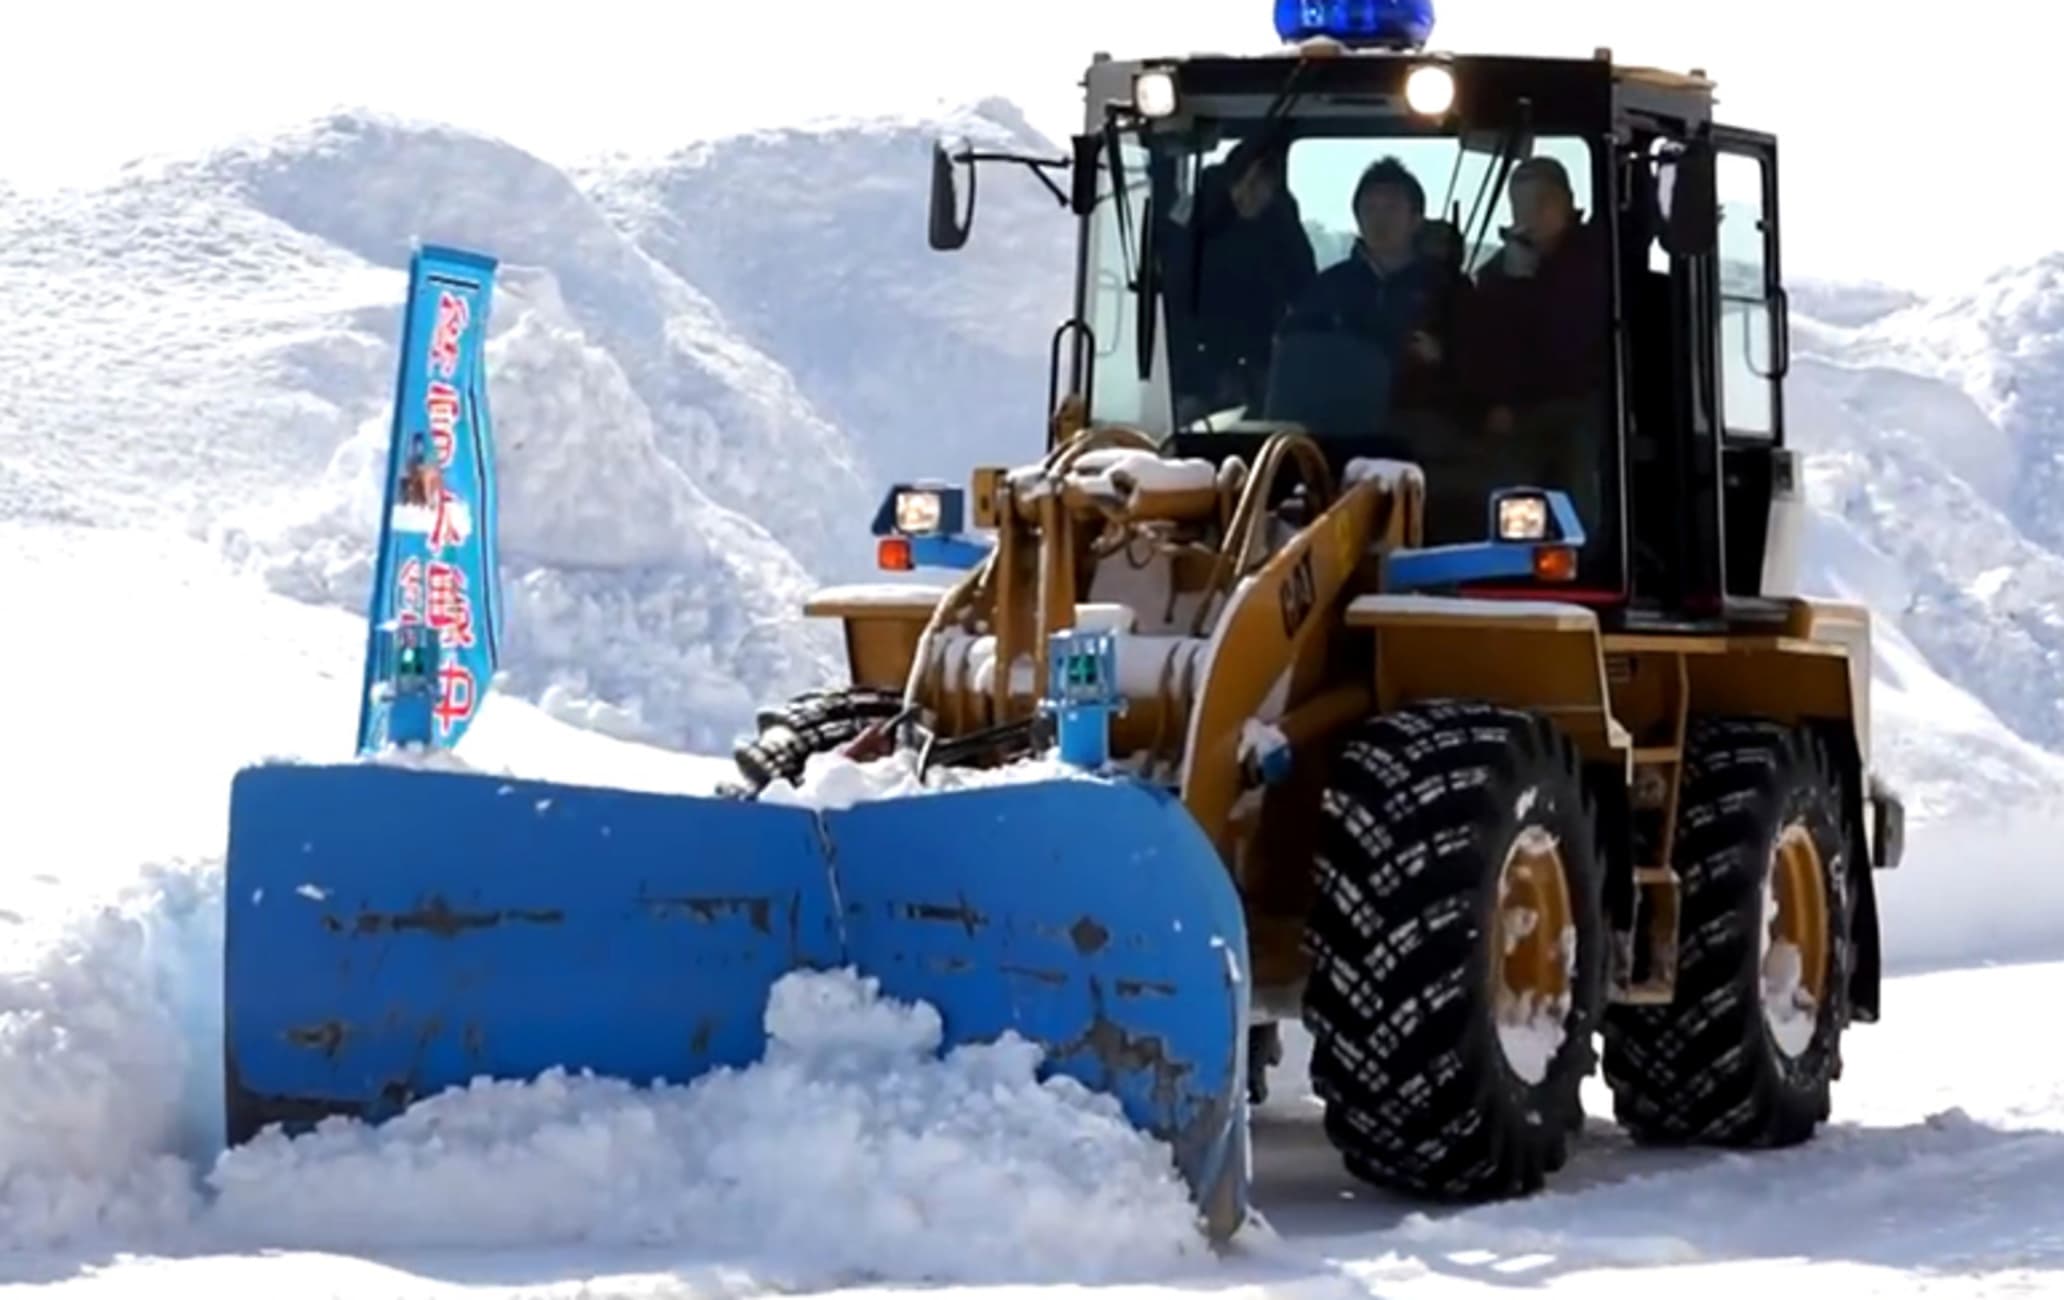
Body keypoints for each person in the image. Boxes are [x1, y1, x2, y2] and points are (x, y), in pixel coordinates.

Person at [1457, 155, 1611, 534]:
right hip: (1521, 407)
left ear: (1567, 203)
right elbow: (1485, 345)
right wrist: (1497, 401)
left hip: (1589, 398)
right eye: (1522, 204)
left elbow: (1573, 337)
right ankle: (1508, 549)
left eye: (1543, 201)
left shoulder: (1602, 256)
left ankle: (1586, 548)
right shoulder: (1495, 275)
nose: (1533, 213)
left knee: (1580, 450)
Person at [1266, 157, 1469, 430]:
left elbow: (1477, 370)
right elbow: (1291, 353)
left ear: (1416, 219)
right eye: (1369, 209)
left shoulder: (1448, 288)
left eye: (1391, 208)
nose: (1379, 220)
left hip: (1417, 429)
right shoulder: (1326, 288)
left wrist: (1440, 356)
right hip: (1333, 425)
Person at [1161, 137, 1319, 423]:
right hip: (1195, 370)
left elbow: (1305, 290)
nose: (1251, 192)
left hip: (1261, 367)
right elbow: (1171, 300)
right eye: (1245, 181)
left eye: (1263, 184)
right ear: (1229, 180)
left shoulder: (1282, 228)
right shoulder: (1193, 220)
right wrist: (1200, 380)